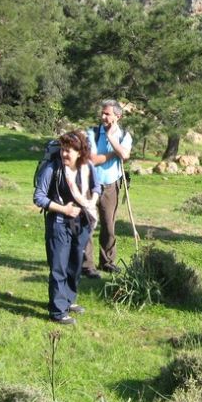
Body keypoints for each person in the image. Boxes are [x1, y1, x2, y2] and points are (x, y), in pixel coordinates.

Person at [33, 130, 100, 325]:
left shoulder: (87, 168)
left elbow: (97, 187)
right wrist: (64, 209)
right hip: (59, 224)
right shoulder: (53, 169)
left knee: (74, 265)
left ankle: (68, 300)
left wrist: (91, 201)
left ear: (80, 152)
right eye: (63, 149)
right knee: (59, 268)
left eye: (68, 150)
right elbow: (39, 197)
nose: (64, 154)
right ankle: (57, 311)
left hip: (82, 224)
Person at [83, 100, 133, 277]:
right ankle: (86, 265)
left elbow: (125, 155)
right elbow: (93, 159)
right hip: (89, 184)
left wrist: (112, 139)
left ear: (117, 116)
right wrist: (114, 153)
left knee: (109, 226)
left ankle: (107, 262)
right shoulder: (92, 133)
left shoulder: (124, 135)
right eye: (102, 113)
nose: (103, 116)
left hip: (111, 185)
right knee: (87, 224)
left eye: (107, 114)